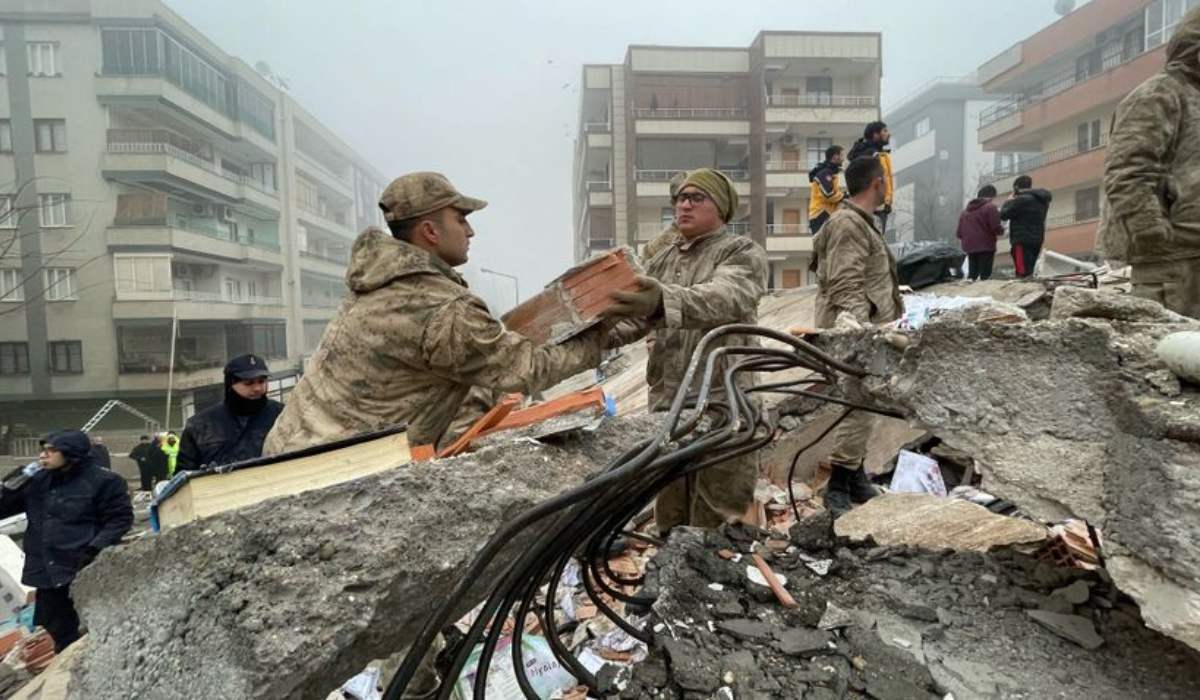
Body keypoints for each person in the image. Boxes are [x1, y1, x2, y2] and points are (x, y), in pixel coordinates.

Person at [263, 171, 611, 458]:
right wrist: (607, 334)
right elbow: (529, 368)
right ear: (430, 231)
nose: (470, 231)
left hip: (290, 454)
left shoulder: (382, 282)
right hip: (337, 472)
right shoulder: (441, 307)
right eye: (461, 220)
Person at [601, 168, 769, 533]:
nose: (684, 205)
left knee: (717, 518)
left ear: (720, 207)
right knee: (670, 511)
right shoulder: (663, 260)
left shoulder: (741, 252)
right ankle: (670, 563)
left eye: (696, 198)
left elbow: (725, 297)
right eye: (680, 199)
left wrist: (663, 299)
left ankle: (712, 567)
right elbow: (638, 318)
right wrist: (596, 336)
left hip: (723, 405)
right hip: (669, 405)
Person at [812, 156, 904, 517]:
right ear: (877, 182)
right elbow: (846, 282)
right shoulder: (848, 224)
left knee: (866, 405)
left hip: (870, 328)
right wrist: (859, 331)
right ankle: (838, 484)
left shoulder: (862, 223)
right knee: (857, 403)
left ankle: (854, 476)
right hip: (856, 331)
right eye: (886, 181)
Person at [1103, 6, 1200, 318]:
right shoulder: (1159, 94)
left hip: (1191, 253)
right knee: (1168, 343)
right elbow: (1127, 172)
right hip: (1169, 263)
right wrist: (1152, 232)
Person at [0, 430, 132, 651]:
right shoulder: (36, 481)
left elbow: (120, 519)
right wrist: (15, 481)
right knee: (58, 631)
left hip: (82, 567)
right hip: (47, 573)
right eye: (43, 450)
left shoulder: (104, 481)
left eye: (52, 450)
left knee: (94, 631)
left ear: (72, 453)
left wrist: (94, 549)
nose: (43, 455)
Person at [178, 355, 283, 471]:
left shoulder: (281, 415)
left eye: (261, 381)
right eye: (249, 383)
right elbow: (183, 474)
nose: (257, 388)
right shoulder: (199, 426)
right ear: (230, 384)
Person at [1000, 175, 1052, 278]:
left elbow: (1004, 215)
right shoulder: (1042, 200)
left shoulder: (1021, 200)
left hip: (1021, 239)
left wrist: (1009, 201)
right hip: (1037, 238)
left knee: (1021, 272)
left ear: (1016, 187)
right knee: (1029, 270)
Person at [847, 122, 894, 234]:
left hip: (879, 207)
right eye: (885, 131)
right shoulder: (869, 155)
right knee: (870, 240)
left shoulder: (879, 154)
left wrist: (887, 202)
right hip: (872, 207)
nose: (888, 134)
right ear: (875, 135)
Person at [956, 185, 1005, 281]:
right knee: (985, 275)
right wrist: (1002, 230)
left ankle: (970, 288)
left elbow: (959, 233)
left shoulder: (965, 212)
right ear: (992, 196)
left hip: (970, 247)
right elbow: (995, 227)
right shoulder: (990, 207)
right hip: (986, 246)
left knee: (972, 275)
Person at [808, 145, 845, 234]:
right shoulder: (824, 173)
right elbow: (828, 195)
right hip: (820, 215)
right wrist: (844, 196)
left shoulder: (831, 173)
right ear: (835, 157)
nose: (843, 159)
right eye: (841, 155)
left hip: (827, 214)